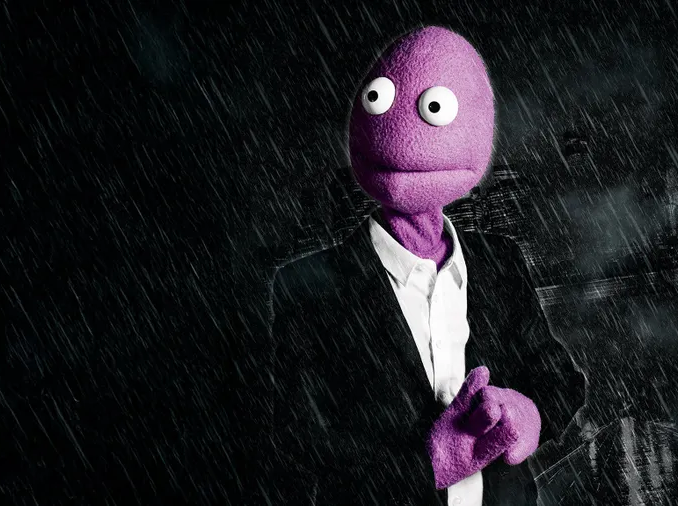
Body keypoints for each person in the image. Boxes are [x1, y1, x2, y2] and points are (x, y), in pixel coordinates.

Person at [231, 26, 586, 506]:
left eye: (433, 108)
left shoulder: (500, 262)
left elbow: (559, 378)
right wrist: (426, 465)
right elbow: (296, 453)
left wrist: (528, 412)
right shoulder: (308, 287)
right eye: (379, 101)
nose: (403, 135)